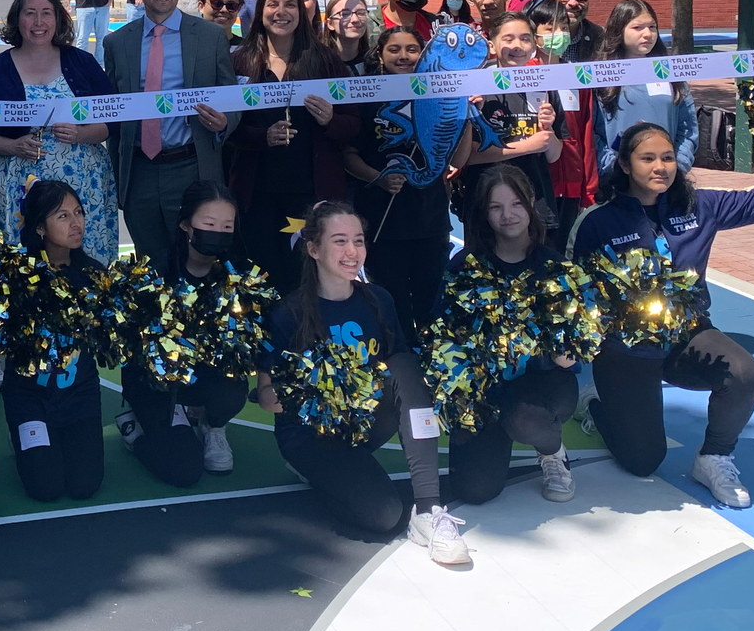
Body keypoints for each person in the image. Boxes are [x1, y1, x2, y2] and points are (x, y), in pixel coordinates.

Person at [573, 123, 754, 507]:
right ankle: (598, 402)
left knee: (745, 373)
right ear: (626, 166)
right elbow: (580, 293)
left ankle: (713, 456)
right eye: (647, 158)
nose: (660, 167)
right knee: (643, 461)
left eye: (667, 158)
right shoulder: (599, 222)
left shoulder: (700, 206)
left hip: (688, 337)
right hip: (627, 351)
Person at [256, 202, 466, 563]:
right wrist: (301, 388)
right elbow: (265, 397)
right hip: (311, 435)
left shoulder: (379, 300)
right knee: (384, 516)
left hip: (363, 424)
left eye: (358, 240)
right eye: (339, 241)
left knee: (404, 365)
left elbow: (403, 376)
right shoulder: (287, 313)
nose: (352, 251)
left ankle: (430, 510)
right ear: (313, 249)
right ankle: (319, 474)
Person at [444, 167, 581, 505]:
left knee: (524, 417)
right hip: (484, 388)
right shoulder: (464, 267)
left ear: (531, 204)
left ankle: (552, 452)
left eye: (516, 204)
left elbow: (569, 357)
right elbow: (444, 341)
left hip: (542, 383)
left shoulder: (554, 266)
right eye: (495, 207)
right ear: (484, 213)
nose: (507, 215)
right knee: (475, 490)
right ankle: (494, 436)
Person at [0, 0, 121, 263]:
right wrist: (12, 145)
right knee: (23, 269)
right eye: (30, 13)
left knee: (84, 268)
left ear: (58, 19)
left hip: (81, 185)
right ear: (17, 19)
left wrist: (81, 134)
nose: (39, 22)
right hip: (18, 187)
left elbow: (113, 121)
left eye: (47, 13)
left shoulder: (82, 64)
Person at [100, 0, 234, 268]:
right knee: (151, 265)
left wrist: (224, 122)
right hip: (139, 171)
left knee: (198, 262)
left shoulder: (210, 37)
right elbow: (115, 115)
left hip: (191, 167)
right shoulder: (117, 44)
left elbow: (232, 98)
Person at [228, 0, 361, 294]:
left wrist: (330, 119)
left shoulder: (326, 62)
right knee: (261, 280)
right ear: (260, 11)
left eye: (290, 4)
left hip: (311, 197)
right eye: (273, 4)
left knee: (305, 281)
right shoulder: (240, 61)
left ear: (302, 13)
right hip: (257, 197)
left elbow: (355, 125)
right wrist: (263, 137)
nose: (281, 12)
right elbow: (227, 130)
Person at [113, 181, 251, 482]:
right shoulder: (155, 273)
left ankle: (213, 426)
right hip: (158, 383)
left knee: (233, 384)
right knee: (184, 471)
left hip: (207, 377)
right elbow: (129, 343)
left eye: (226, 226)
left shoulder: (239, 275)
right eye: (209, 223)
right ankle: (136, 432)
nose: (218, 232)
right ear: (186, 225)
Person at [345, 27, 467, 332]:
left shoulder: (441, 96)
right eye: (394, 50)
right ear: (381, 55)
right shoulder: (366, 95)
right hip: (382, 224)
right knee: (391, 306)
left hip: (430, 221)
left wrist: (465, 118)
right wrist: (379, 179)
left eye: (412, 49)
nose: (403, 56)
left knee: (430, 306)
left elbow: (458, 160)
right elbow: (348, 155)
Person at [2, 181, 107, 501]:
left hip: (79, 394)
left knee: (84, 486)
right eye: (62, 216)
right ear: (39, 228)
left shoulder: (94, 274)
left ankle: (62, 438)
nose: (76, 223)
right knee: (46, 487)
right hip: (29, 397)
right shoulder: (15, 276)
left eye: (78, 213)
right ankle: (26, 436)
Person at [465, 12, 565, 235]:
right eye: (508, 39)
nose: (517, 46)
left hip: (536, 203)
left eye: (525, 38)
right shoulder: (476, 86)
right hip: (486, 205)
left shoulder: (543, 84)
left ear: (534, 45)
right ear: (492, 45)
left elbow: (554, 154)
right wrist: (527, 146)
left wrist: (548, 132)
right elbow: (467, 156)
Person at [591, 0, 697, 174]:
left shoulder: (669, 73)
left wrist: (676, 166)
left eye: (652, 27)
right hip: (615, 179)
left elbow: (688, 129)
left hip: (665, 178)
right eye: (637, 27)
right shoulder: (600, 75)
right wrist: (614, 168)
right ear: (619, 30)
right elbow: (590, 133)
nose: (647, 34)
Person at [530, 0, 598, 250]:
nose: (558, 34)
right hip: (536, 185)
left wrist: (588, 190)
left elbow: (586, 134)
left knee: (563, 259)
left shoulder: (577, 77)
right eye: (549, 29)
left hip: (571, 186)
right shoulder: (523, 76)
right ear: (534, 34)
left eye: (563, 27)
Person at [323, 0, 370, 71]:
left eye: (361, 13)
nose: (355, 20)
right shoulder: (318, 63)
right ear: (330, 23)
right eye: (345, 14)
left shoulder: (375, 62)